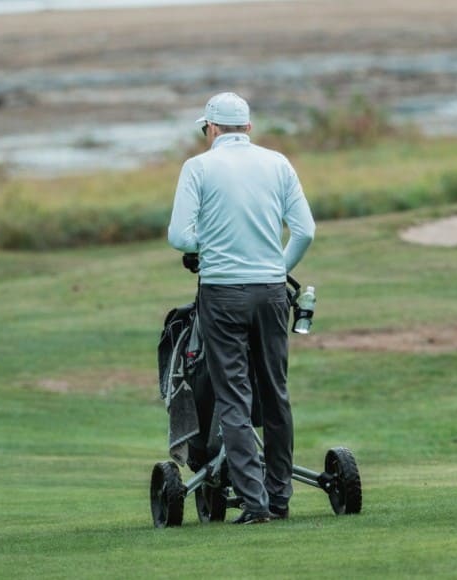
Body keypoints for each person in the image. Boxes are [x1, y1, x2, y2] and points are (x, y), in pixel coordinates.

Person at [168, 92, 316, 524]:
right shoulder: (278, 163)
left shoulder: (198, 167)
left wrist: (212, 243)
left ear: (212, 128)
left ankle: (255, 505)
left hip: (222, 293)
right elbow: (305, 231)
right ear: (248, 128)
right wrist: (277, 268)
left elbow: (180, 236)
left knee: (234, 396)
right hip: (271, 292)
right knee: (275, 393)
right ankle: (280, 498)